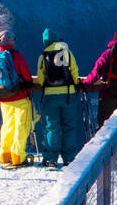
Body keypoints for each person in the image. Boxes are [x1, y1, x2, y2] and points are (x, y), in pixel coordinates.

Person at [0, 30, 36, 168]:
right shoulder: (17, 56)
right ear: (11, 42)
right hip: (20, 97)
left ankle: (4, 156)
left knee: (7, 126)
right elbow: (28, 78)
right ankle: (17, 157)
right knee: (21, 127)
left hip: (3, 98)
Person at [35, 28, 82, 168]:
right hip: (68, 94)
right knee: (69, 126)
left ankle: (51, 159)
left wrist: (47, 87)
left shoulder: (43, 55)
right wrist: (74, 85)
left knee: (51, 127)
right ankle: (69, 158)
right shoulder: (66, 52)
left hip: (50, 96)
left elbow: (40, 77)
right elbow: (74, 70)